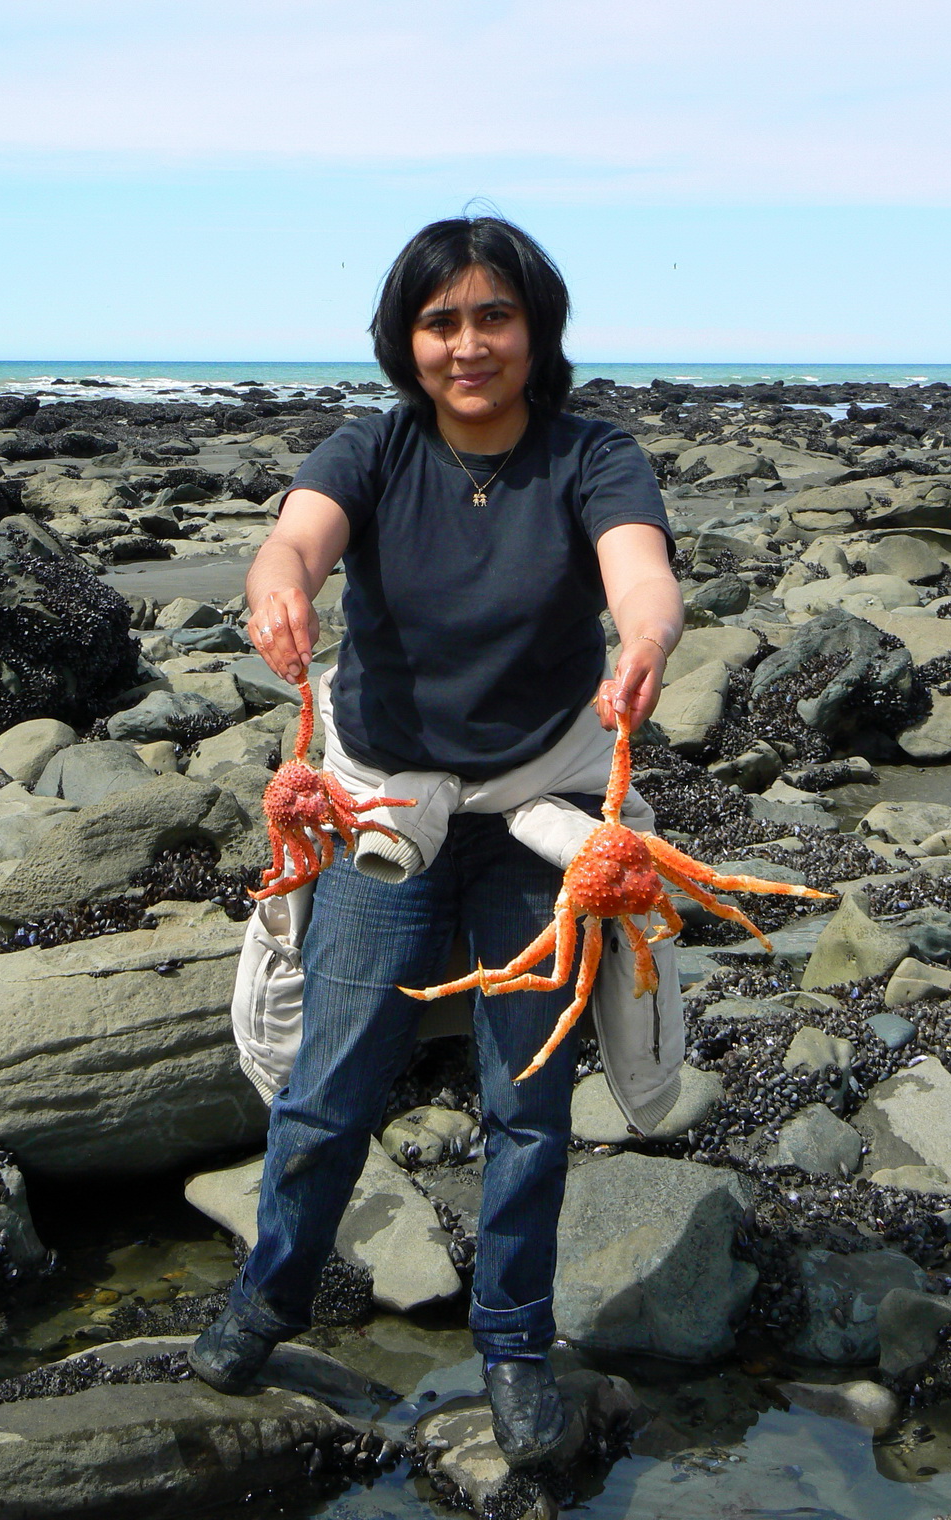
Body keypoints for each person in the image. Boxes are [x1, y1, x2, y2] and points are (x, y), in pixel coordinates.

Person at [189, 215, 684, 1467]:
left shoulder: (592, 454)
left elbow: (641, 570)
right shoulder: (372, 447)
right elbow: (297, 533)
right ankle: (270, 1296)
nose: (469, 344)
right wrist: (279, 578)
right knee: (328, 1088)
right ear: (405, 338)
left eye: (493, 316)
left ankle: (515, 1340)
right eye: (441, 320)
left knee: (529, 1100)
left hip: (537, 815)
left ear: (537, 327)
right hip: (381, 808)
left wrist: (646, 637)